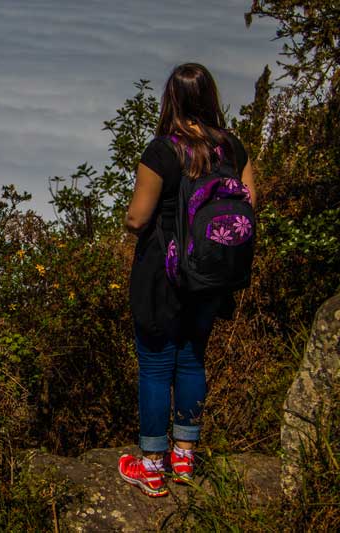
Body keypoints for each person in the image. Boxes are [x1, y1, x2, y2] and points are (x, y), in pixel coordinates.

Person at [118, 63, 257, 497]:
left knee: (157, 366)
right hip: (212, 275)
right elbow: (252, 205)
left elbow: (138, 217)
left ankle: (152, 467)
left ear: (172, 101)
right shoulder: (234, 149)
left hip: (163, 274)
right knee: (192, 359)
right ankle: (183, 458)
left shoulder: (162, 151)